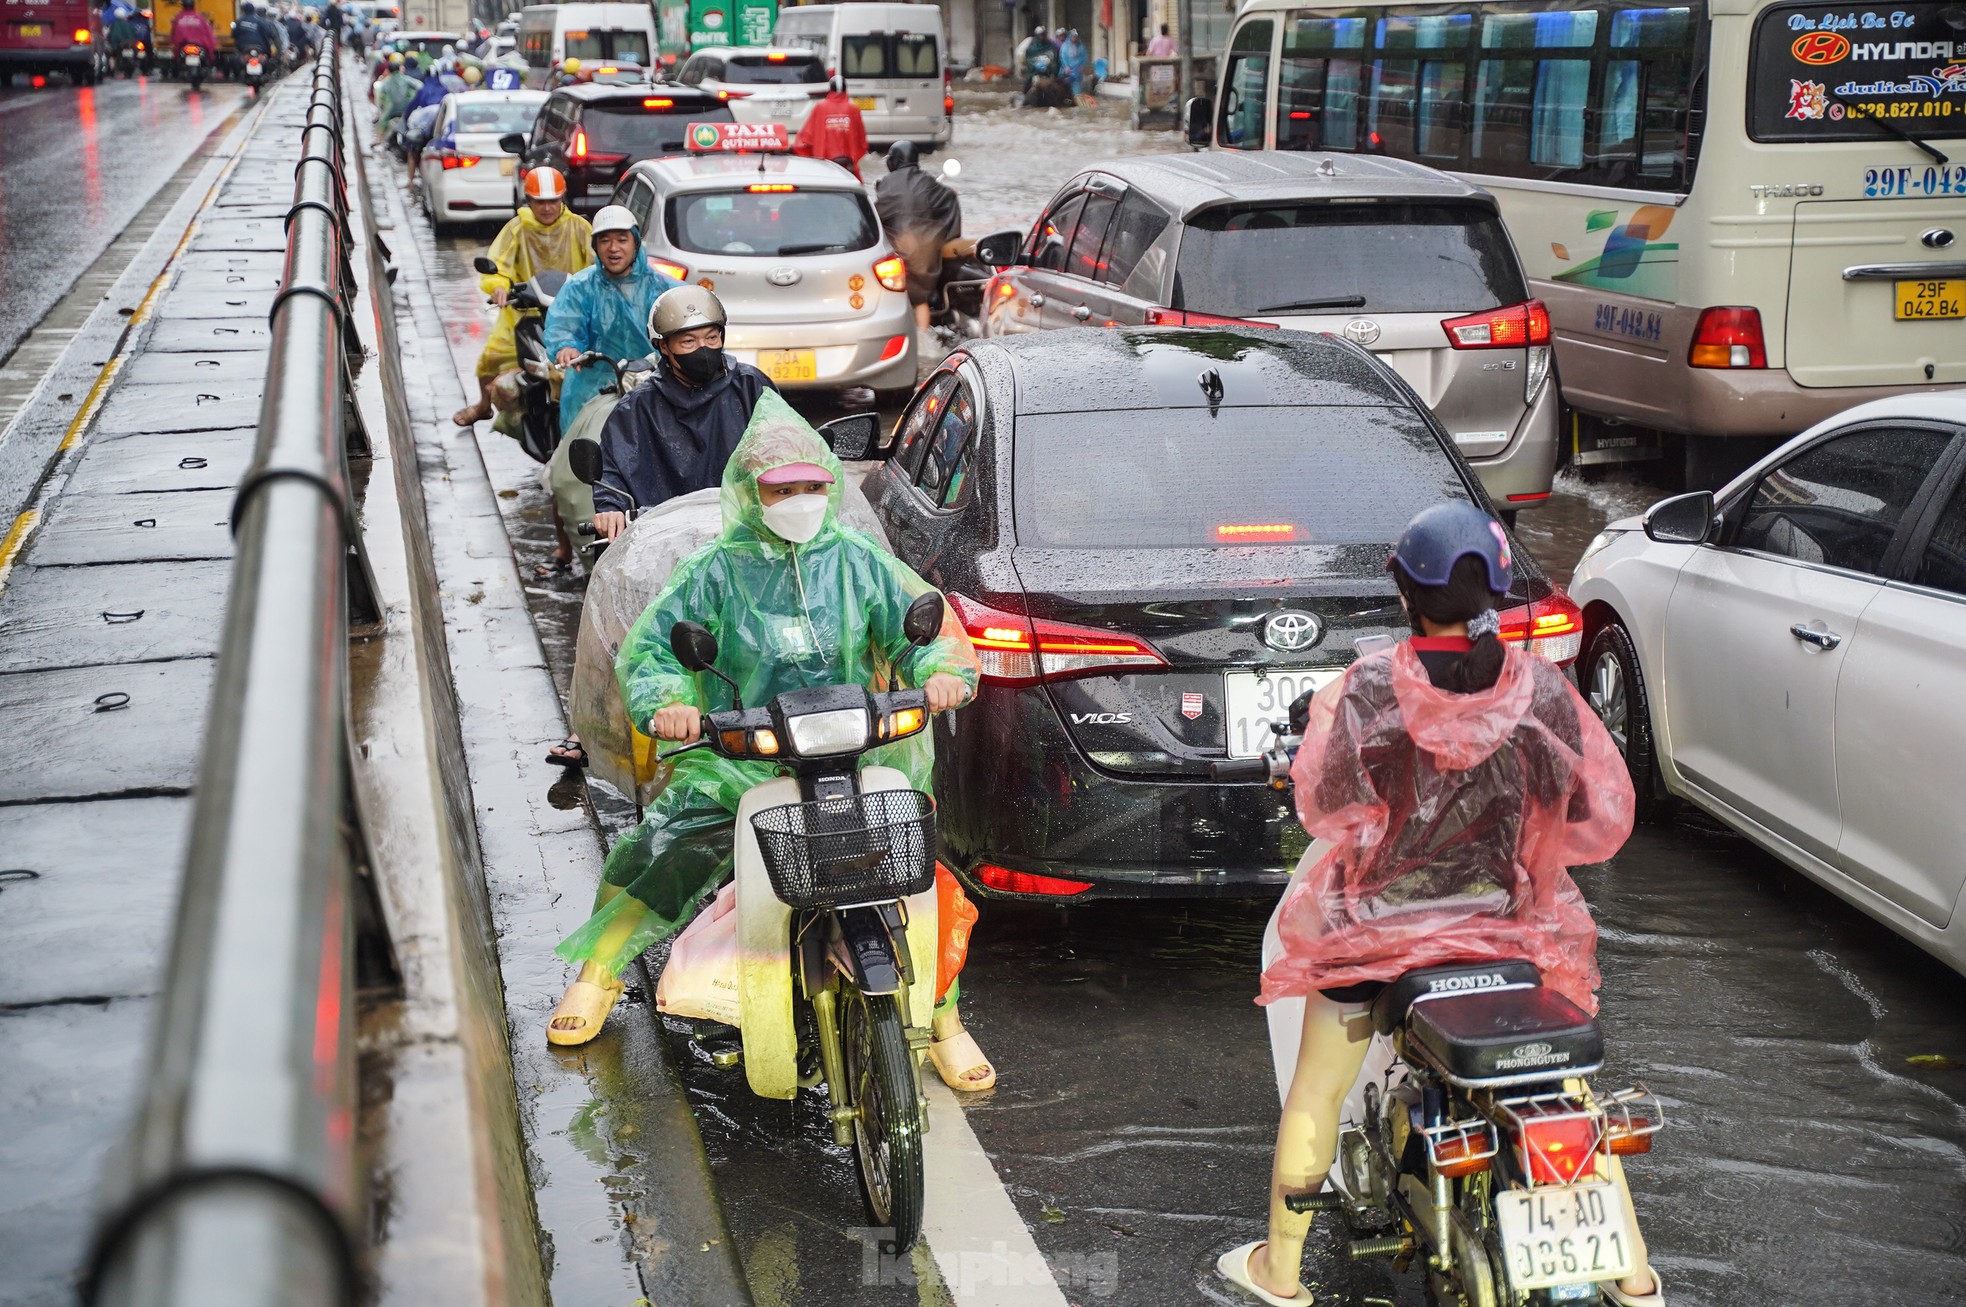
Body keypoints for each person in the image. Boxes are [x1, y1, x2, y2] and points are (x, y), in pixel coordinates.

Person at [1216, 502, 1661, 1307]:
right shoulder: (1540, 691)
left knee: (1316, 1090)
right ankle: (1632, 1278)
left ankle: (1280, 1273)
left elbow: (1323, 801)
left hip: (1376, 945)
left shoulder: (1369, 688)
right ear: (1493, 589)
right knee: (1572, 1088)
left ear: (1403, 593)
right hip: (1508, 936)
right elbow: (1598, 811)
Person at [544, 395, 996, 1102]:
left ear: (830, 485)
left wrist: (939, 674)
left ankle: (942, 1018)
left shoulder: (859, 561)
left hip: (858, 748)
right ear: (752, 493)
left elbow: (926, 629)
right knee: (667, 843)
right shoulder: (714, 572)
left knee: (915, 877)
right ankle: (598, 971)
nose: (798, 500)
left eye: (811, 487)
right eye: (782, 489)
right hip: (741, 754)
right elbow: (659, 651)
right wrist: (670, 704)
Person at [534, 204, 682, 582]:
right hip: (591, 389)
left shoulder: (663, 287)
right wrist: (566, 348)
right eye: (605, 241)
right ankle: (567, 547)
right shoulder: (580, 287)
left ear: (636, 243)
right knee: (571, 473)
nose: (613, 248)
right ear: (595, 246)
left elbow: (687, 314)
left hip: (652, 388)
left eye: (621, 239)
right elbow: (563, 328)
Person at [589, 286, 775, 541]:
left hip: (749, 534)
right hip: (665, 541)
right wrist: (611, 508)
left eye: (711, 338)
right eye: (689, 341)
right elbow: (613, 471)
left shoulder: (751, 385)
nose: (703, 348)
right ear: (664, 346)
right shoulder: (637, 407)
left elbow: (786, 442)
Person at [453, 167, 593, 427]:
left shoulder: (580, 227)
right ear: (529, 200)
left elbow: (596, 266)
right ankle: (484, 406)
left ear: (562, 199)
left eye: (553, 201)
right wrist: (499, 286)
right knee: (490, 359)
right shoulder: (516, 229)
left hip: (573, 311)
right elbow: (498, 264)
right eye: (540, 201)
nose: (548, 207)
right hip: (523, 311)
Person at [874, 140, 962, 344]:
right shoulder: (929, 181)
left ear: (894, 160)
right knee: (921, 298)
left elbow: (880, 213)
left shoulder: (887, 183)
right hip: (926, 251)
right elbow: (948, 199)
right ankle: (923, 341)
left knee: (897, 295)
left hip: (899, 247)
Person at [791, 74, 869, 179]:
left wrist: (812, 161)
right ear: (846, 89)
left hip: (823, 167)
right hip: (848, 168)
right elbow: (862, 143)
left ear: (830, 89)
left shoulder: (820, 108)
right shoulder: (853, 109)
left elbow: (804, 140)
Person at [371, 52, 420, 142]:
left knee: (382, 122)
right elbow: (419, 86)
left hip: (391, 109)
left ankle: (378, 140)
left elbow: (380, 95)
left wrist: (381, 106)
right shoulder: (405, 78)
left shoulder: (386, 81)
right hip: (405, 107)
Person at [169, 0, 217, 67]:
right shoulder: (200, 18)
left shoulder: (179, 18)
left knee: (176, 62)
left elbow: (174, 35)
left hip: (184, 45)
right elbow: (208, 35)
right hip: (198, 45)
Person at [1019, 23, 1056, 93]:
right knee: (1028, 83)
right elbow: (1029, 58)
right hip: (1034, 71)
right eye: (1041, 35)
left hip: (1048, 71)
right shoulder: (1032, 46)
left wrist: (1049, 65)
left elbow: (1054, 57)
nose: (1042, 37)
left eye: (1044, 35)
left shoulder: (1050, 45)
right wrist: (1035, 65)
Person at [1058, 27, 1087, 96]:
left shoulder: (1081, 46)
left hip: (1077, 72)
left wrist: (1082, 66)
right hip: (1067, 72)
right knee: (1065, 89)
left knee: (1076, 92)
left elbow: (1084, 56)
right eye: (1073, 37)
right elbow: (1062, 56)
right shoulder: (1065, 46)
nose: (1075, 38)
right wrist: (1066, 66)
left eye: (1076, 37)